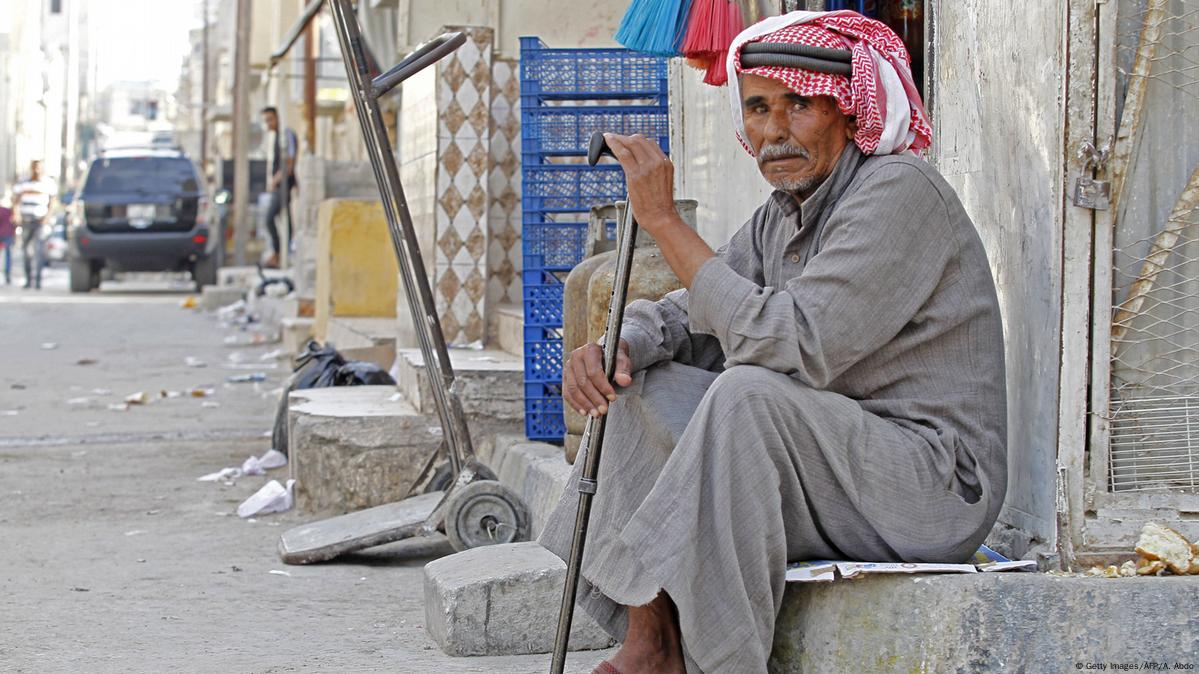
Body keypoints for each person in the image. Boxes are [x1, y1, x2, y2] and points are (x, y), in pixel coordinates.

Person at [539, 11, 1007, 674]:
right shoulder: (782, 215)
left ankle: (721, 662)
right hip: (831, 466)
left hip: (929, 486)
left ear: (848, 113)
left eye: (798, 105)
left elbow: (794, 346)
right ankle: (654, 644)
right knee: (639, 383)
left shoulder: (900, 192)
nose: (774, 130)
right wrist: (624, 345)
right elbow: (691, 312)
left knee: (748, 395)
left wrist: (662, 220)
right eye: (757, 108)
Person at [261, 106, 298, 269]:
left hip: (284, 183)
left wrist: (278, 178)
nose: (268, 124)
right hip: (280, 183)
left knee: (270, 218)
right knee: (285, 217)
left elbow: (290, 160)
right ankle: (282, 253)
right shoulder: (275, 137)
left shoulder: (286, 134)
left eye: (270, 119)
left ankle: (279, 253)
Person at [14, 160, 55, 290]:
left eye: (39, 168)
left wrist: (47, 217)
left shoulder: (48, 183)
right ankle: (28, 280)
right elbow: (16, 200)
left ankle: (38, 280)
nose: (36, 170)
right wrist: (17, 214)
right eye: (34, 167)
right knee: (26, 251)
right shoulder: (23, 182)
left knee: (39, 250)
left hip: (40, 221)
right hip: (26, 219)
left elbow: (52, 202)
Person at [0, 193, 14, 285]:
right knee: (8, 256)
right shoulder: (10, 210)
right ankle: (8, 275)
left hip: (2, 234)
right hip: (9, 234)